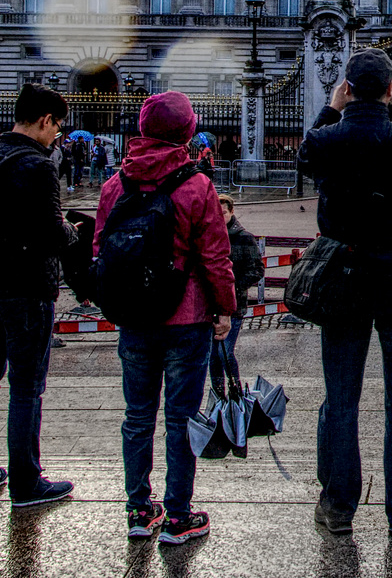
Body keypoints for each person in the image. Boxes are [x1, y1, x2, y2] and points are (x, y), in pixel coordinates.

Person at [296, 48, 392, 539]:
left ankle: (339, 505)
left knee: (339, 398)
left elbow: (304, 153)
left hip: (342, 280)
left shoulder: (327, 138)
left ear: (347, 87)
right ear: (389, 89)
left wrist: (331, 108)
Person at [94, 92, 237, 544]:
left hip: (134, 316)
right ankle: (177, 514)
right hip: (186, 316)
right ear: (187, 132)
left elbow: (100, 251)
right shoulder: (197, 185)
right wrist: (225, 308)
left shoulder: (115, 184)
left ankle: (138, 509)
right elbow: (216, 256)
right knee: (180, 417)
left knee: (137, 416)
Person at [0, 84, 79, 510]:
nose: (57, 136)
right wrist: (72, 230)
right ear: (44, 120)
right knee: (27, 386)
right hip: (27, 287)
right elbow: (51, 233)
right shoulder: (37, 164)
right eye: (57, 127)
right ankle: (27, 482)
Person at [208, 193, 265, 398]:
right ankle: (218, 394)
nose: (220, 217)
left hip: (235, 305)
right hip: (212, 305)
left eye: (223, 212)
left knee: (225, 352)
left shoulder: (244, 237)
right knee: (213, 356)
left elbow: (257, 269)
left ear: (231, 212)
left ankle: (235, 392)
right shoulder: (210, 235)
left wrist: (234, 286)